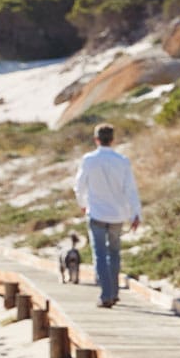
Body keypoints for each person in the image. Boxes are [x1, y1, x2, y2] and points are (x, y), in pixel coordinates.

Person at [73, 123, 141, 308]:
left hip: (96, 213)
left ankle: (106, 295)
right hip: (117, 215)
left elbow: (79, 186)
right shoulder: (122, 160)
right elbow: (130, 189)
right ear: (112, 140)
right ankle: (115, 292)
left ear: (96, 140)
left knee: (100, 255)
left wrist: (82, 204)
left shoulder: (89, 160)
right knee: (115, 253)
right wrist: (136, 213)